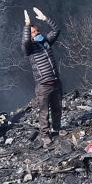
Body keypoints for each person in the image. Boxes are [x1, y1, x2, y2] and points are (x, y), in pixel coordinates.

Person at [22, 7, 62, 143]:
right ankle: (45, 136)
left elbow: (56, 30)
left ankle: (57, 130)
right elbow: (25, 42)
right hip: (43, 86)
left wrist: (45, 18)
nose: (36, 33)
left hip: (55, 82)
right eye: (33, 32)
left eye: (37, 31)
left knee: (57, 108)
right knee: (44, 113)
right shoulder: (30, 49)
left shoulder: (45, 42)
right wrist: (27, 26)